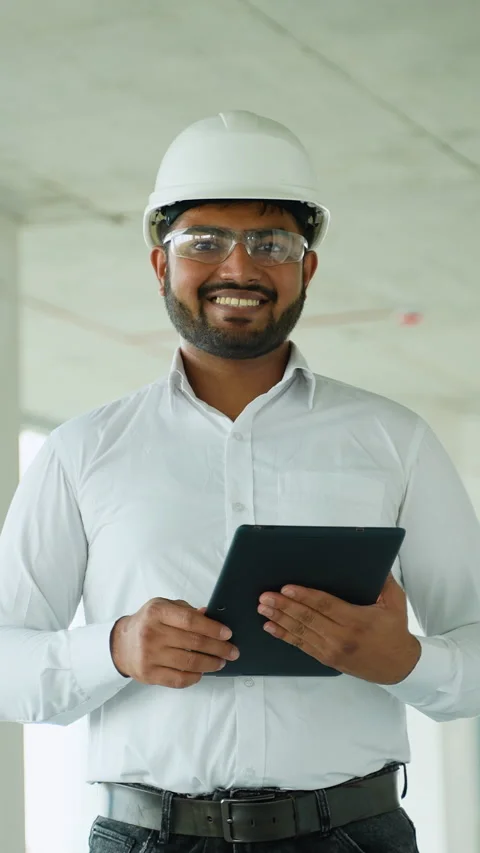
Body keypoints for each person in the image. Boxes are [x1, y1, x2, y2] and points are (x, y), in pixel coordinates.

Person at [0, 110, 479, 853]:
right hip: (148, 838)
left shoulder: (395, 440)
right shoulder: (80, 452)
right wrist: (116, 647)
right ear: (162, 264)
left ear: (305, 267)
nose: (238, 268)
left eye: (270, 243)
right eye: (204, 242)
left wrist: (407, 661)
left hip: (353, 836)